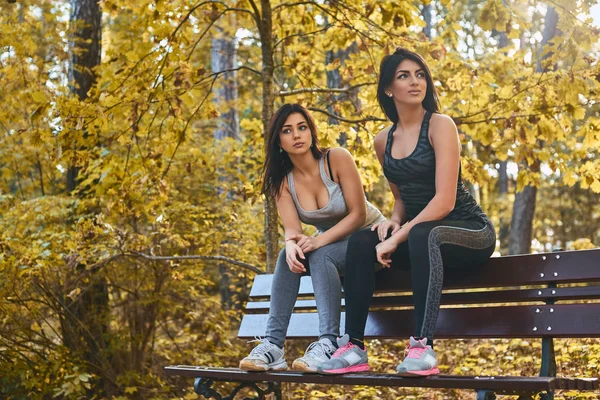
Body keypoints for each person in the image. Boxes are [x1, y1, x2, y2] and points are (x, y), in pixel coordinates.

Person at [318, 48, 496, 376]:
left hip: (469, 231)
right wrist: (394, 221)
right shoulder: (383, 140)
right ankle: (354, 346)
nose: (415, 82)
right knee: (361, 242)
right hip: (418, 236)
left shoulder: (440, 126)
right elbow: (401, 198)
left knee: (423, 233)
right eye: (404, 76)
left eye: (420, 74)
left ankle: (422, 348)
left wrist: (398, 235)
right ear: (388, 89)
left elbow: (443, 203)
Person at [239, 104, 385, 373]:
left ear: (311, 131)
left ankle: (328, 342)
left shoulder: (336, 159)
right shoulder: (282, 182)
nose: (297, 135)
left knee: (319, 252)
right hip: (333, 247)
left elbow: (358, 213)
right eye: (287, 130)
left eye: (302, 127)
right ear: (279, 141)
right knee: (289, 254)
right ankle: (272, 345)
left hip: (372, 240)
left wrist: (317, 241)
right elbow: (292, 231)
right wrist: (292, 245)